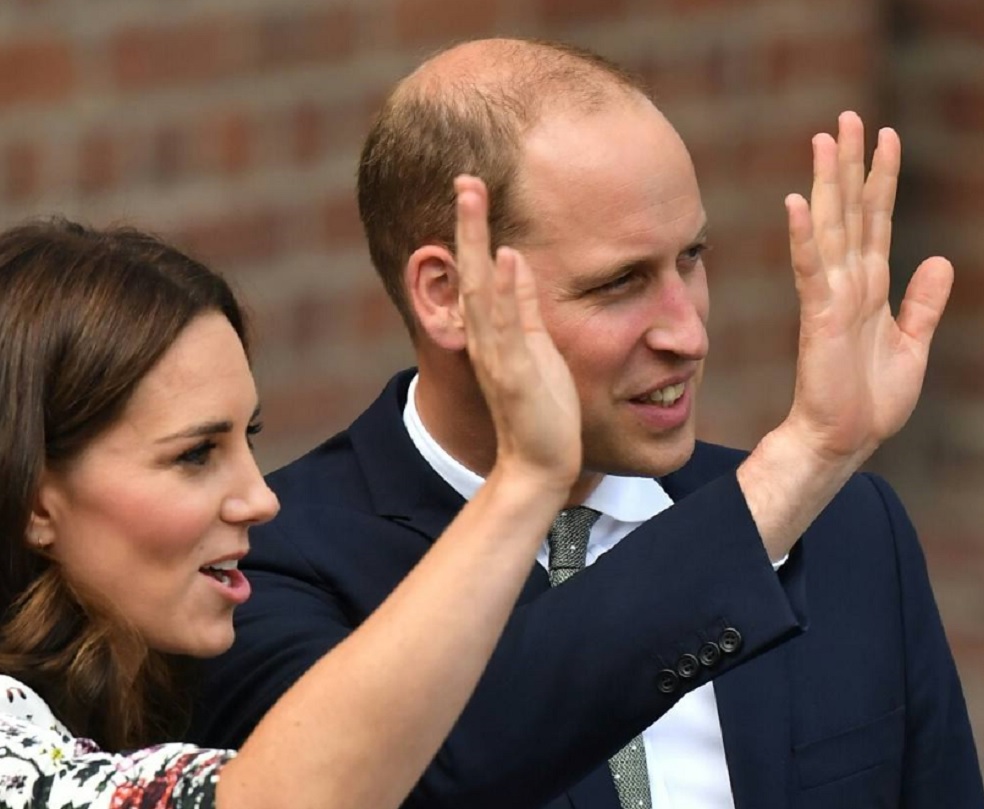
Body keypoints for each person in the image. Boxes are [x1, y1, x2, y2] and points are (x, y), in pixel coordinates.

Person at [194, 38, 984, 809]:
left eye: (691, 258)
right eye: (619, 283)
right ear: (446, 294)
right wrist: (807, 456)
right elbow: (444, 768)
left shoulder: (847, 529)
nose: (688, 332)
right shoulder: (256, 571)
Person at [0, 205, 590, 809]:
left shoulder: (162, 695)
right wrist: (525, 480)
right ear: (35, 502)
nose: (260, 499)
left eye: (246, 437)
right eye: (196, 454)